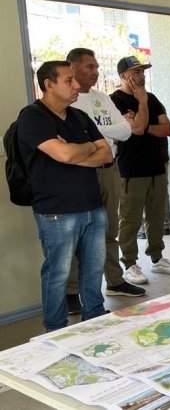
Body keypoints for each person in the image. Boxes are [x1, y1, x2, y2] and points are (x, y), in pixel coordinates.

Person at [17, 61, 112, 331]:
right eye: (69, 80)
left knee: (94, 270)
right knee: (58, 274)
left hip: (93, 206)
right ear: (48, 85)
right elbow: (64, 154)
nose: (77, 85)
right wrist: (83, 149)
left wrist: (73, 153)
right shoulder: (32, 117)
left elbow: (106, 154)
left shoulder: (79, 117)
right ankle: (55, 328)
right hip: (56, 211)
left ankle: (94, 318)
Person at [65, 48, 145, 308]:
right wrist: (109, 129)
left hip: (110, 168)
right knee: (80, 231)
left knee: (110, 228)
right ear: (73, 68)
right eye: (89, 66)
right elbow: (77, 137)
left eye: (97, 66)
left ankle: (114, 280)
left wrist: (97, 130)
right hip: (81, 170)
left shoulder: (101, 97)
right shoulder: (69, 100)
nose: (96, 71)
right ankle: (72, 292)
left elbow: (126, 132)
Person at [111, 56, 170, 284]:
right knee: (130, 219)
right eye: (136, 72)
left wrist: (143, 122)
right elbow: (136, 130)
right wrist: (140, 106)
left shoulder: (152, 98)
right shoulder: (115, 101)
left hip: (156, 167)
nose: (141, 76)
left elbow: (168, 129)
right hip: (130, 170)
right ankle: (130, 263)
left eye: (143, 72)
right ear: (123, 76)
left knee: (156, 215)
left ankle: (157, 257)